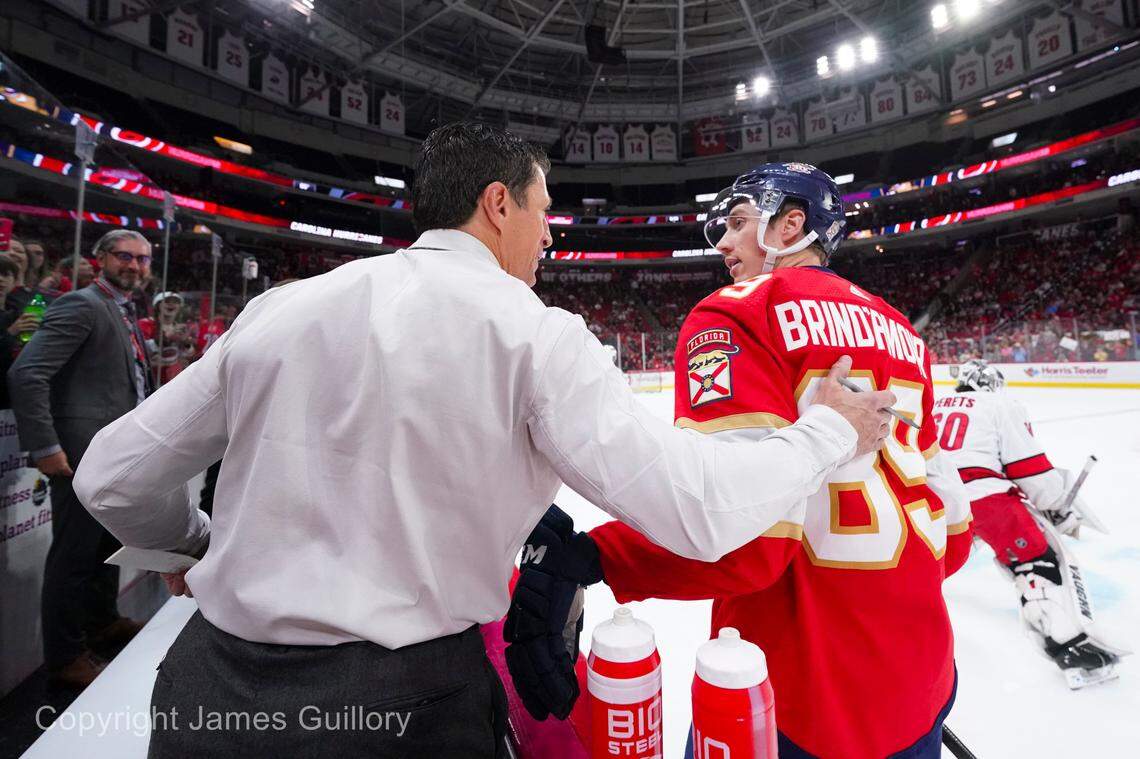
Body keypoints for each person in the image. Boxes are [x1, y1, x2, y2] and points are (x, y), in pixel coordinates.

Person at [71, 124, 892, 759]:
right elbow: (699, 509)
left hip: (210, 693)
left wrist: (191, 543)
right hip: (404, 708)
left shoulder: (281, 308)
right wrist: (826, 428)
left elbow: (111, 475)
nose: (549, 236)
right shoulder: (535, 336)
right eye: (543, 212)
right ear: (498, 203)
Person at [506, 163, 973, 758]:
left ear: (791, 225)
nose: (722, 244)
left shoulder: (733, 313)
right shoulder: (905, 332)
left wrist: (598, 556)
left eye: (738, 223)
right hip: (922, 679)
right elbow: (954, 537)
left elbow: (746, 544)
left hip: (794, 698)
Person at [8, 229, 154, 688]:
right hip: (75, 456)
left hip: (111, 456)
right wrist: (46, 446)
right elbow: (27, 373)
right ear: (100, 260)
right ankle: (66, 656)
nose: (134, 266)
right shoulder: (82, 304)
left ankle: (103, 621)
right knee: (72, 557)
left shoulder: (123, 310)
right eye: (124, 257)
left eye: (143, 259)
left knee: (103, 549)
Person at [932, 359, 1126, 687]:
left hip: (931, 499)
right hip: (983, 497)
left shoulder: (934, 404)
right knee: (1037, 562)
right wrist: (1055, 503)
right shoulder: (999, 404)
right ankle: (1069, 650)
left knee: (928, 565)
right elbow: (1027, 464)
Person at [0, 255, 41, 408]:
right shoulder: (15, 322)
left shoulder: (17, 313)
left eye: (6, 274)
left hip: (13, 397)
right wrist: (11, 332)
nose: (1, 280)